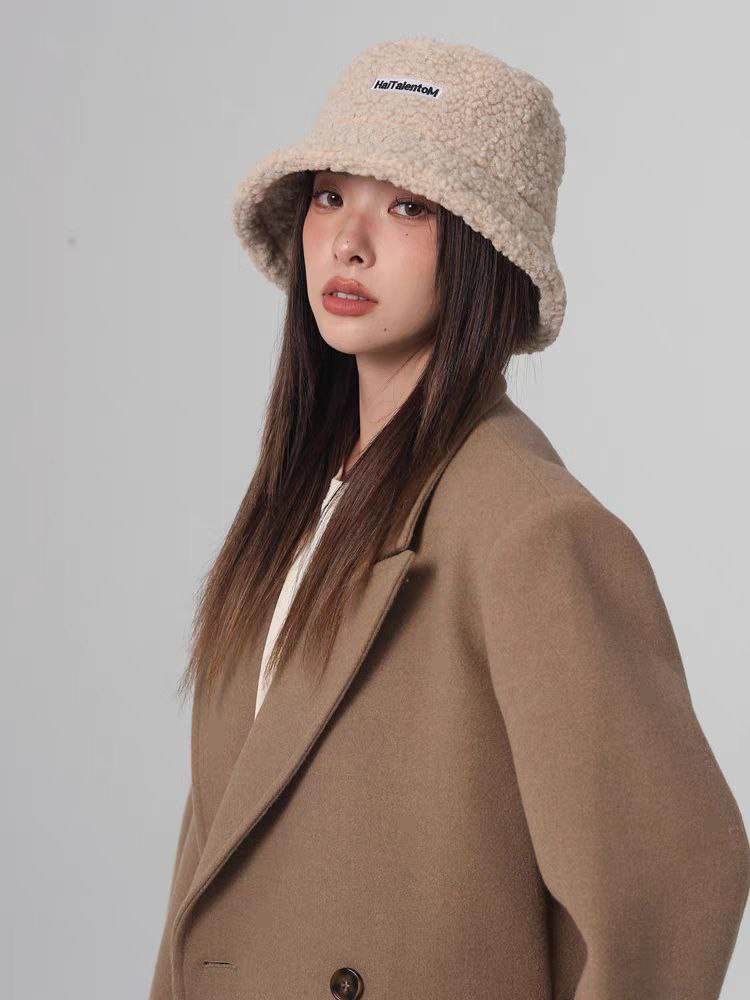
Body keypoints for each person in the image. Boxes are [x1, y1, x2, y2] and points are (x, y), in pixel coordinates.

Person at [148, 37, 749, 1000]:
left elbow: (675, 881)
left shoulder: (531, 532)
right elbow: (214, 874)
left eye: (409, 206)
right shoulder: (294, 516)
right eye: (330, 195)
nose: (348, 242)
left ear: (483, 249)